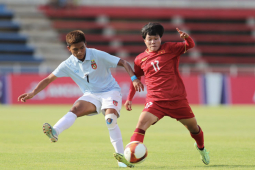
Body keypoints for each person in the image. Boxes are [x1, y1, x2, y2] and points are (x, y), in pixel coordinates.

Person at [18, 30, 143, 168]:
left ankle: (121, 160)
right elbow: (49, 79)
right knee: (75, 108)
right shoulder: (68, 64)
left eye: (82, 47)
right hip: (91, 94)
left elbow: (124, 62)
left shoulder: (97, 54)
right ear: (69, 49)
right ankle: (55, 132)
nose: (79, 52)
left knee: (110, 120)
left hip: (110, 91)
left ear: (86, 44)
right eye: (75, 50)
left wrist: (134, 79)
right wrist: (33, 93)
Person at [114, 23, 210, 166]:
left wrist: (187, 38)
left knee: (194, 128)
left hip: (177, 100)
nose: (153, 42)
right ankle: (131, 157)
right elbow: (136, 79)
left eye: (156, 39)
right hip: (155, 101)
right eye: (150, 39)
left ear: (160, 39)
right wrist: (129, 98)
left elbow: (190, 45)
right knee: (141, 125)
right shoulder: (140, 59)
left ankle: (201, 148)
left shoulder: (170, 48)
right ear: (144, 40)